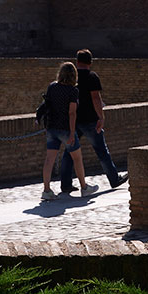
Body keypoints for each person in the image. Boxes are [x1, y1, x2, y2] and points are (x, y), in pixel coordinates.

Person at [59, 49, 128, 194]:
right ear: (90, 62)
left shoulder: (71, 77)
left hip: (73, 120)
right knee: (102, 151)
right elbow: (95, 98)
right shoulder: (92, 76)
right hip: (90, 120)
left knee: (69, 153)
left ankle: (65, 184)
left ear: (77, 61)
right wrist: (101, 117)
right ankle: (114, 179)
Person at [41, 61, 97, 200]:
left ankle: (46, 190)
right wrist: (72, 132)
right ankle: (84, 187)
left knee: (49, 160)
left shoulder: (52, 87)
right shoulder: (73, 91)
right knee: (77, 158)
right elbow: (72, 113)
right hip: (65, 129)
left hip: (52, 128)